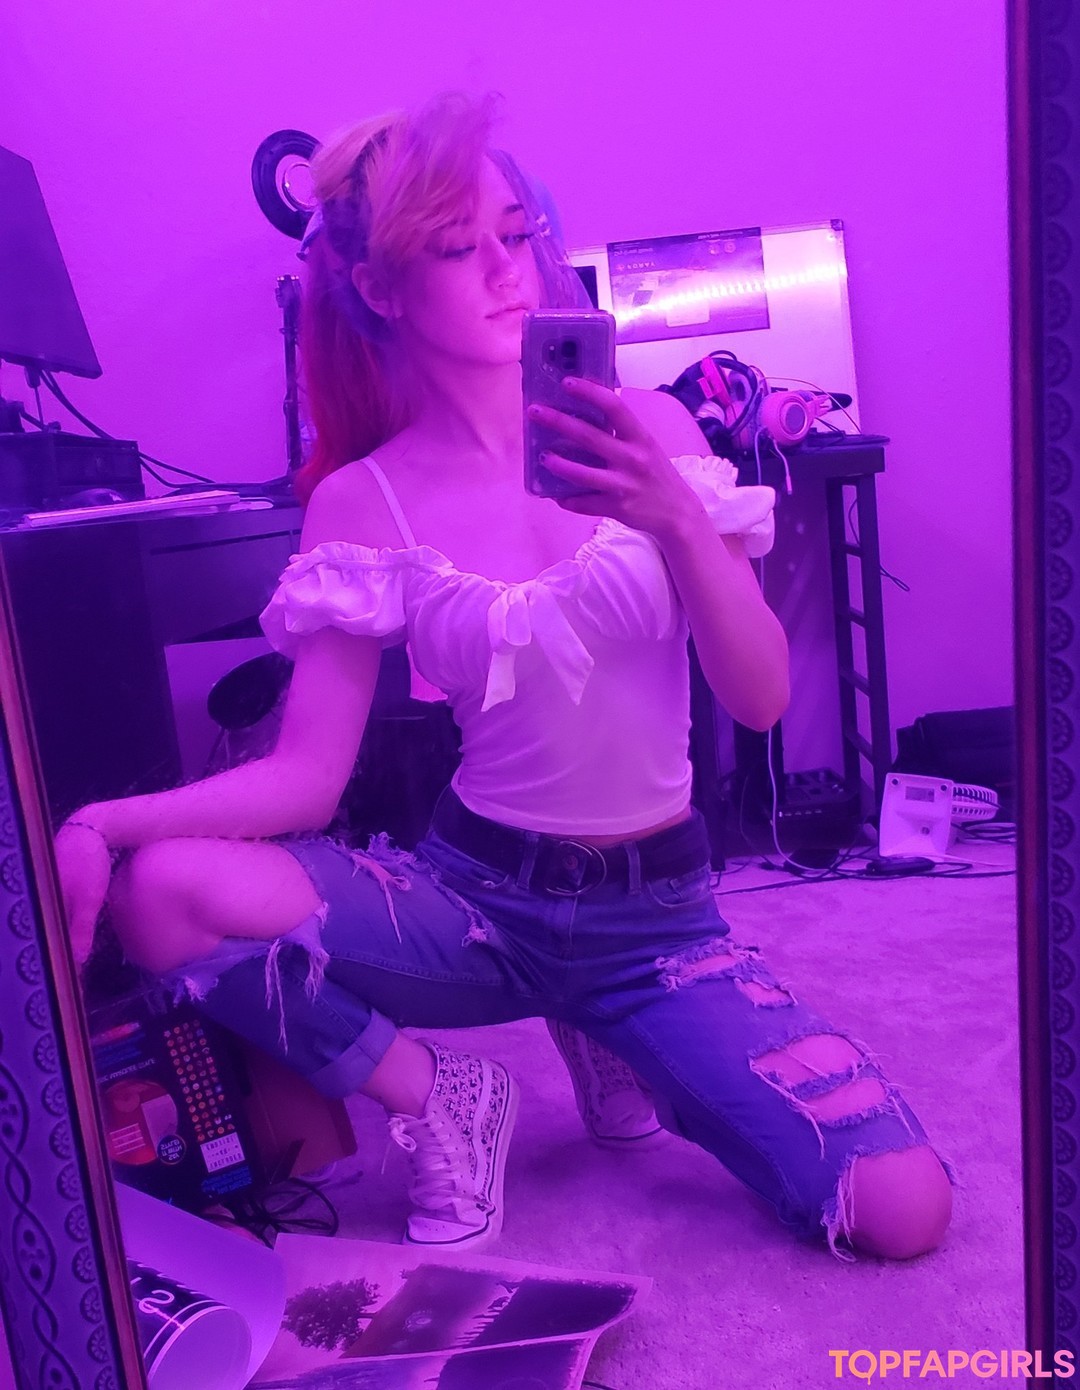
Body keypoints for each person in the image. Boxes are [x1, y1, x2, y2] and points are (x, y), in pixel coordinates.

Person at [55, 92, 953, 1261]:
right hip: (474, 905)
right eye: (453, 246)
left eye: (516, 234)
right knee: (163, 892)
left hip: (658, 921)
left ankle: (615, 1036)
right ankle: (440, 1094)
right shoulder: (362, 500)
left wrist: (677, 518)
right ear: (380, 287)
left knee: (902, 1207)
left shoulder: (653, 430)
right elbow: (307, 778)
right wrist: (103, 822)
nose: (503, 269)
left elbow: (762, 698)